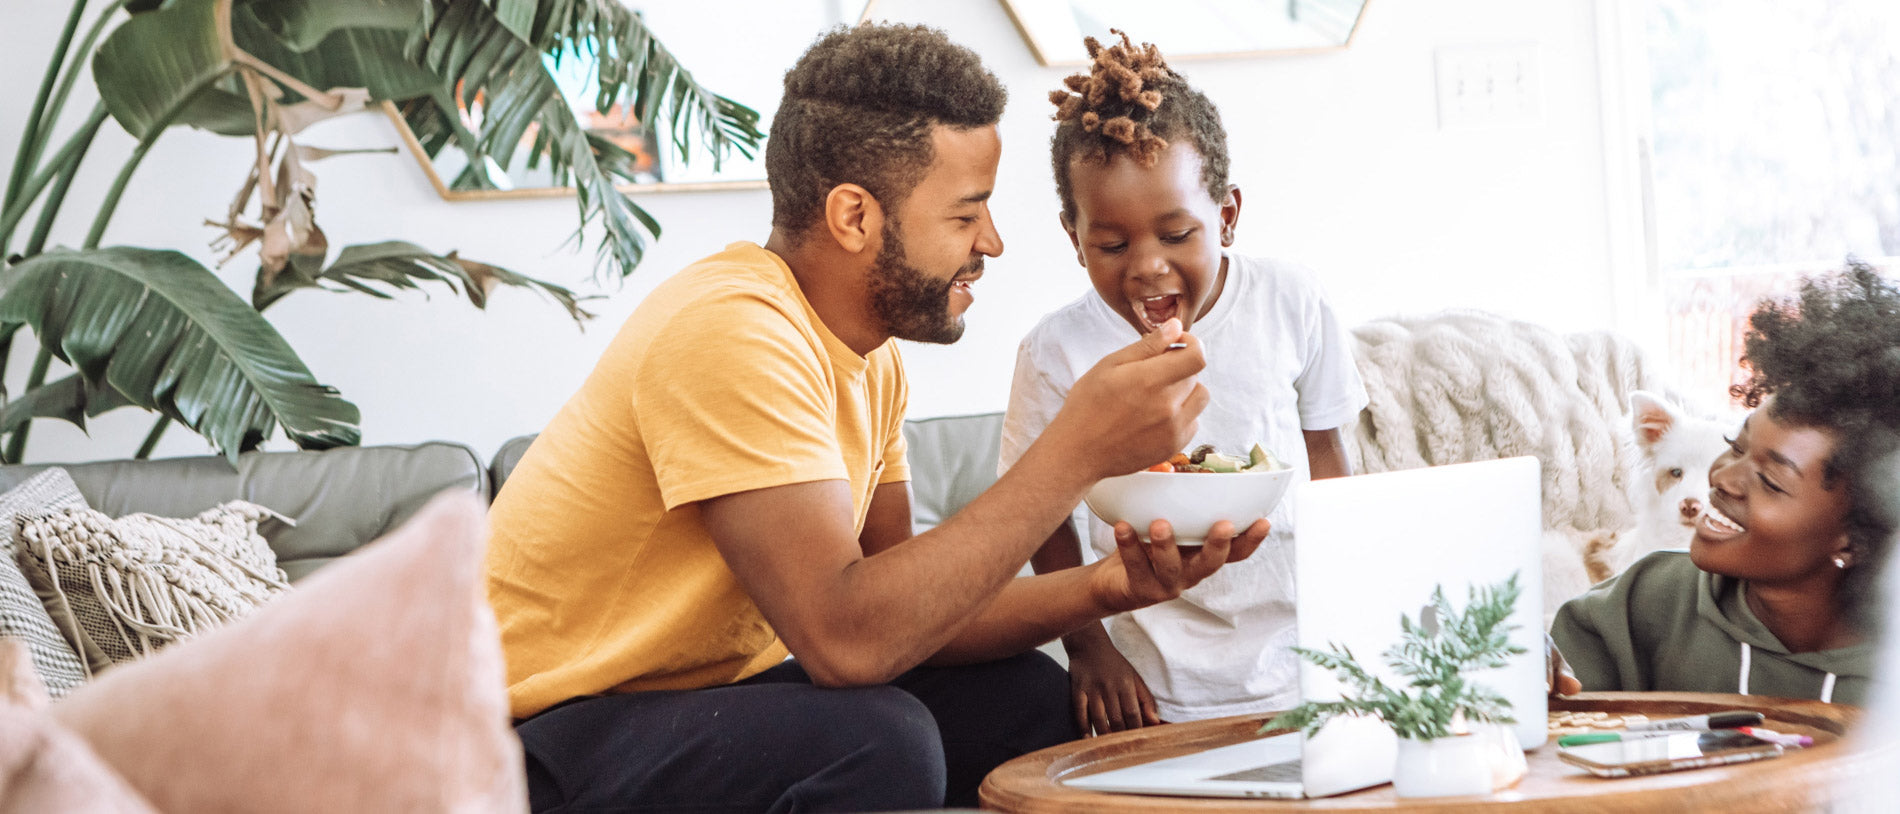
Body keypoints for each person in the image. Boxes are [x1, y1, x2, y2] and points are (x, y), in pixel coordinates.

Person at [484, 22, 1271, 813]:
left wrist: (1111, 584)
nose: (992, 243)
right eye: (967, 215)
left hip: (686, 707)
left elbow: (915, 617)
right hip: (532, 740)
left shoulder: (871, 358)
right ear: (855, 217)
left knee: (1032, 699)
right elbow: (847, 641)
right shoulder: (730, 331)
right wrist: (1076, 449)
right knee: (878, 738)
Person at [999, 31, 1368, 734]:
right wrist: (1088, 649)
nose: (1147, 267)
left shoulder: (1291, 300)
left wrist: (1357, 616)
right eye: (1111, 244)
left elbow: (1330, 459)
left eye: (1176, 235)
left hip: (1307, 662)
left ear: (1225, 217)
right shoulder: (1055, 352)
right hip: (1154, 683)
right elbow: (1041, 519)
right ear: (1073, 236)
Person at [1551, 263, 1900, 705]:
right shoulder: (1648, 599)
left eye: (1771, 481)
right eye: (1736, 445)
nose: (1722, 478)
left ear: (1854, 541)